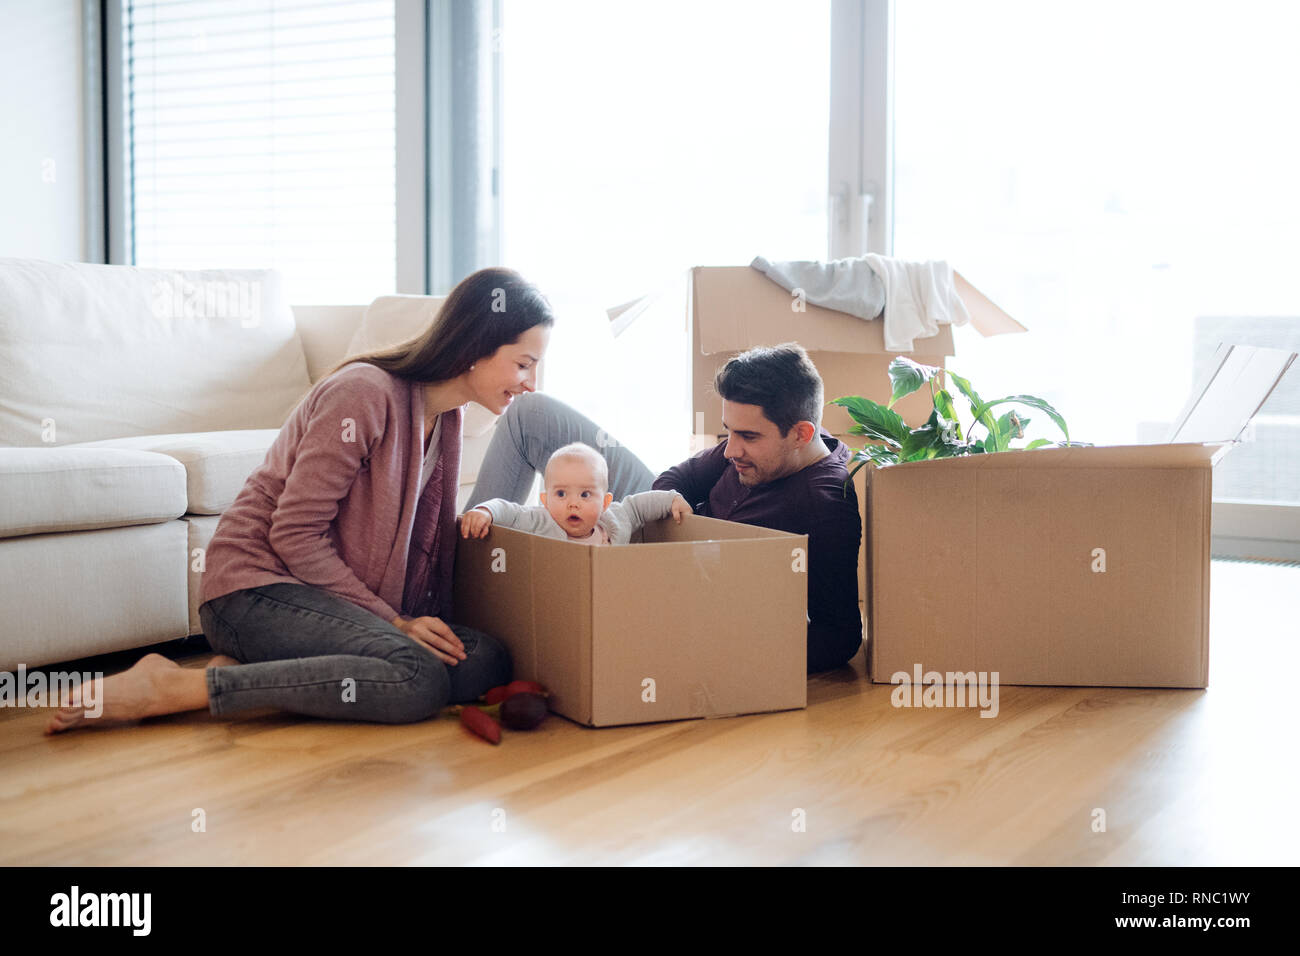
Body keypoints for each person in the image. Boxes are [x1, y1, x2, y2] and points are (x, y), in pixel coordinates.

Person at [47, 267, 554, 734]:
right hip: (256, 589)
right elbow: (293, 533)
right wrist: (396, 623)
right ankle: (179, 686)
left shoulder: (447, 419)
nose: (531, 382)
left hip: (327, 600)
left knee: (485, 657)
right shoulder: (364, 393)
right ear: (476, 345)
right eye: (524, 364)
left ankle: (267, 670)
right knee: (416, 677)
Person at [466, 343, 864, 673]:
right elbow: (678, 478)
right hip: (649, 521)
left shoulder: (825, 507)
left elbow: (839, 636)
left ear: (801, 434)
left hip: (679, 596)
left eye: (747, 436)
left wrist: (721, 640)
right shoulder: (757, 445)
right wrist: (678, 523)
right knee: (529, 413)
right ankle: (465, 565)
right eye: (728, 432)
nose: (730, 450)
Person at [461, 441, 692, 544]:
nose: (573, 504)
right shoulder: (541, 521)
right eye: (561, 494)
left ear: (605, 502)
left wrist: (671, 499)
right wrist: (486, 511)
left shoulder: (614, 521)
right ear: (546, 500)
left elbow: (638, 507)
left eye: (585, 495)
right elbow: (509, 511)